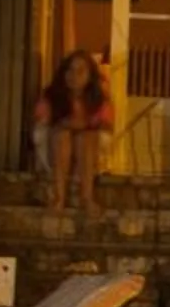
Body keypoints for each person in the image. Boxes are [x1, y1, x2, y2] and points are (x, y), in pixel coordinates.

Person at [33, 50, 112, 222]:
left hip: (87, 154)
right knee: (62, 135)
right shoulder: (52, 96)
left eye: (80, 71)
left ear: (90, 75)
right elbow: (42, 120)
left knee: (86, 137)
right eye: (70, 70)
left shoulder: (97, 98)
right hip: (56, 151)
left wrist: (81, 126)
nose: (74, 76)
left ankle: (87, 197)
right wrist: (68, 125)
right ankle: (59, 197)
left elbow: (105, 124)